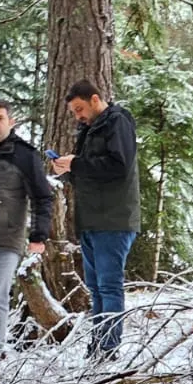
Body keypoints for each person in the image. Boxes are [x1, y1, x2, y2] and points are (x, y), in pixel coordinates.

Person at [50, 81, 140, 359]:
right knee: (97, 289)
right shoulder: (89, 130)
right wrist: (68, 170)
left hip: (113, 218)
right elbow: (91, 173)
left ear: (95, 99)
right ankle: (98, 345)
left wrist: (76, 164)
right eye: (74, 112)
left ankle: (108, 348)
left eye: (80, 109)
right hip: (90, 219)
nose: (78, 116)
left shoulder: (117, 122)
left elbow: (118, 166)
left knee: (109, 286)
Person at [0, 100, 53, 353]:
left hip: (7, 239)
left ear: (11, 122)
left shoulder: (24, 155)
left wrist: (38, 236)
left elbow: (42, 196)